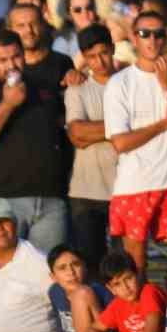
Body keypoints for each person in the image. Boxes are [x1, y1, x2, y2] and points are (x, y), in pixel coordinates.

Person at [104, 7, 167, 269]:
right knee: (136, 267)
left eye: (158, 34)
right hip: (135, 183)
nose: (152, 40)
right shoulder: (119, 83)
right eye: (145, 34)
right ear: (134, 38)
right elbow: (120, 143)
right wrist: (161, 125)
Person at [0, 29, 70, 248]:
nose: (11, 65)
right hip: (1, 202)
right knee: (3, 272)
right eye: (3, 60)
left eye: (16, 57)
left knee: (47, 275)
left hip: (50, 200)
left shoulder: (44, 88)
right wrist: (8, 104)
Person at [65, 26, 119, 268]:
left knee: (124, 264)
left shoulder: (129, 83)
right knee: (90, 266)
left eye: (104, 53)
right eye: (91, 56)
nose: (99, 61)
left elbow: (85, 133)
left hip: (124, 188)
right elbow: (77, 134)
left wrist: (93, 131)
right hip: (86, 191)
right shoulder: (78, 87)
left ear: (113, 49)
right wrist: (123, 128)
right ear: (84, 58)